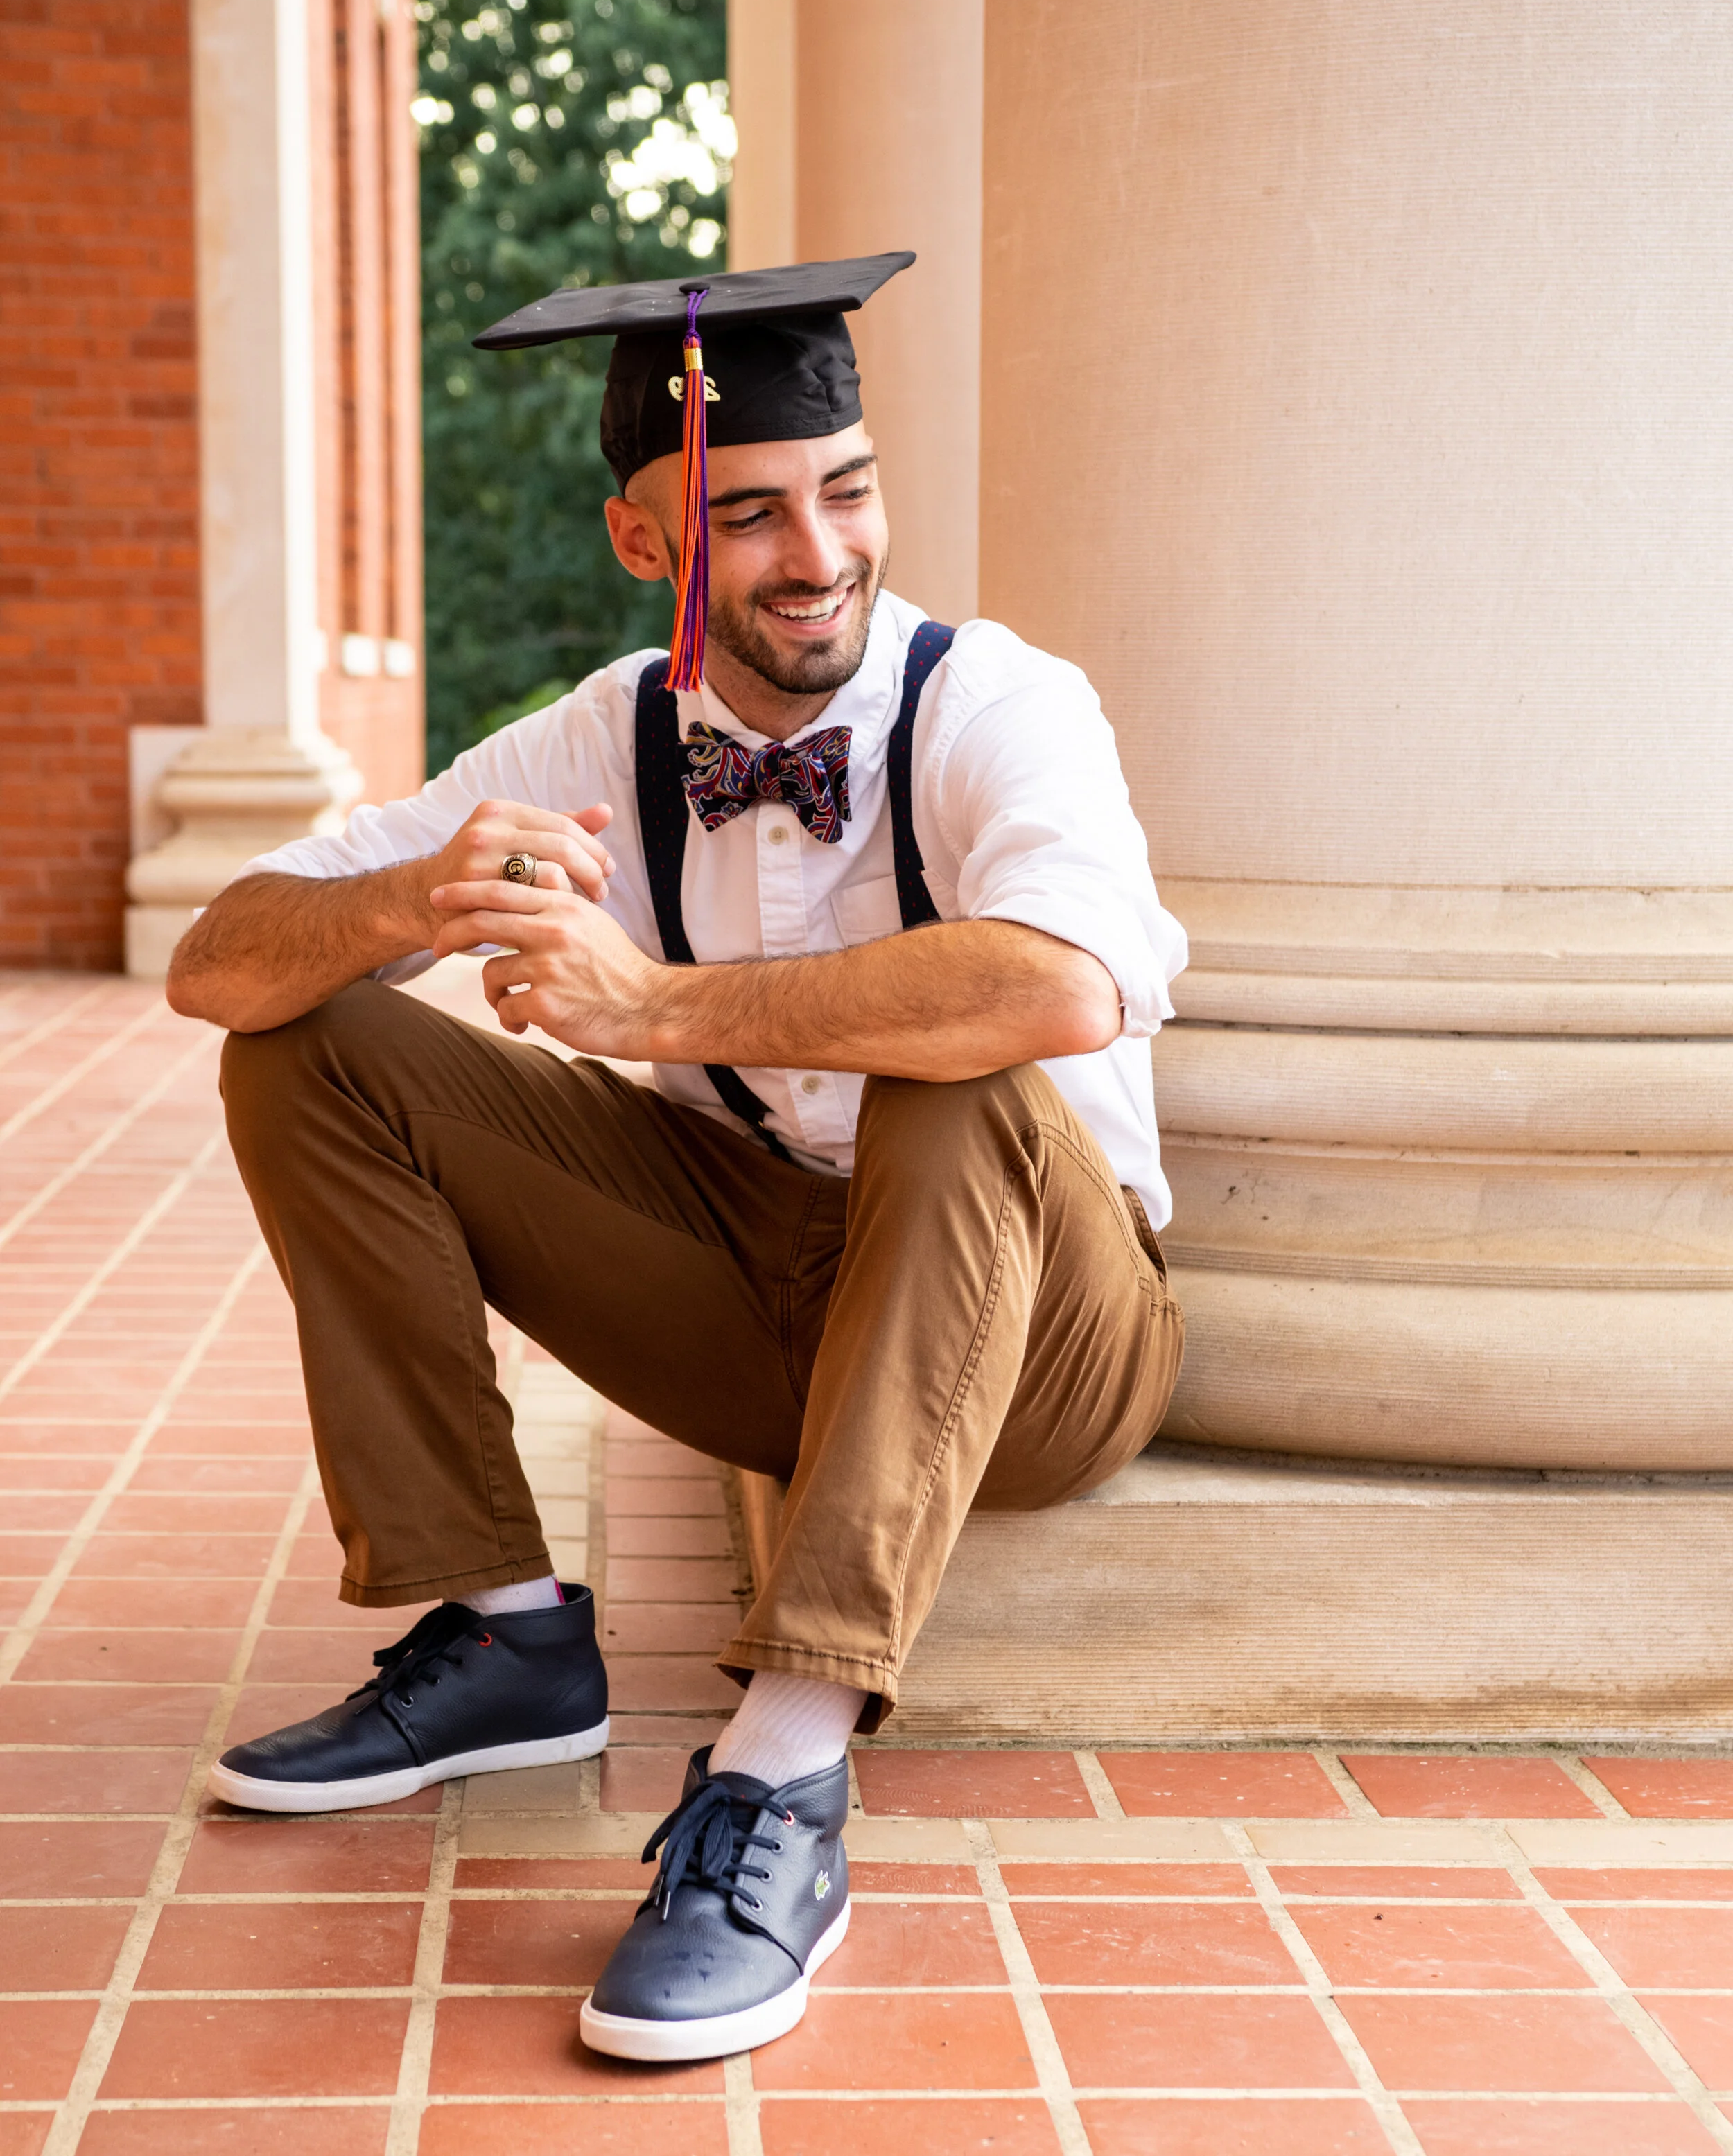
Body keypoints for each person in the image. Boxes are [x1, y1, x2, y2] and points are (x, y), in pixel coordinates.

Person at [166, 252, 1188, 2064]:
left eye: (847, 490)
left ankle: (780, 1784)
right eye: (751, 514)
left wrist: (653, 1008)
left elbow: (1053, 986)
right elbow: (211, 962)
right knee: (311, 1033)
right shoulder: (605, 733)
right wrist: (406, 898)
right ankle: (501, 1635)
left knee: (949, 1061)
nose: (818, 552)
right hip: (754, 1306)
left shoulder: (997, 702)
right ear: (647, 547)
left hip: (1039, 1337)